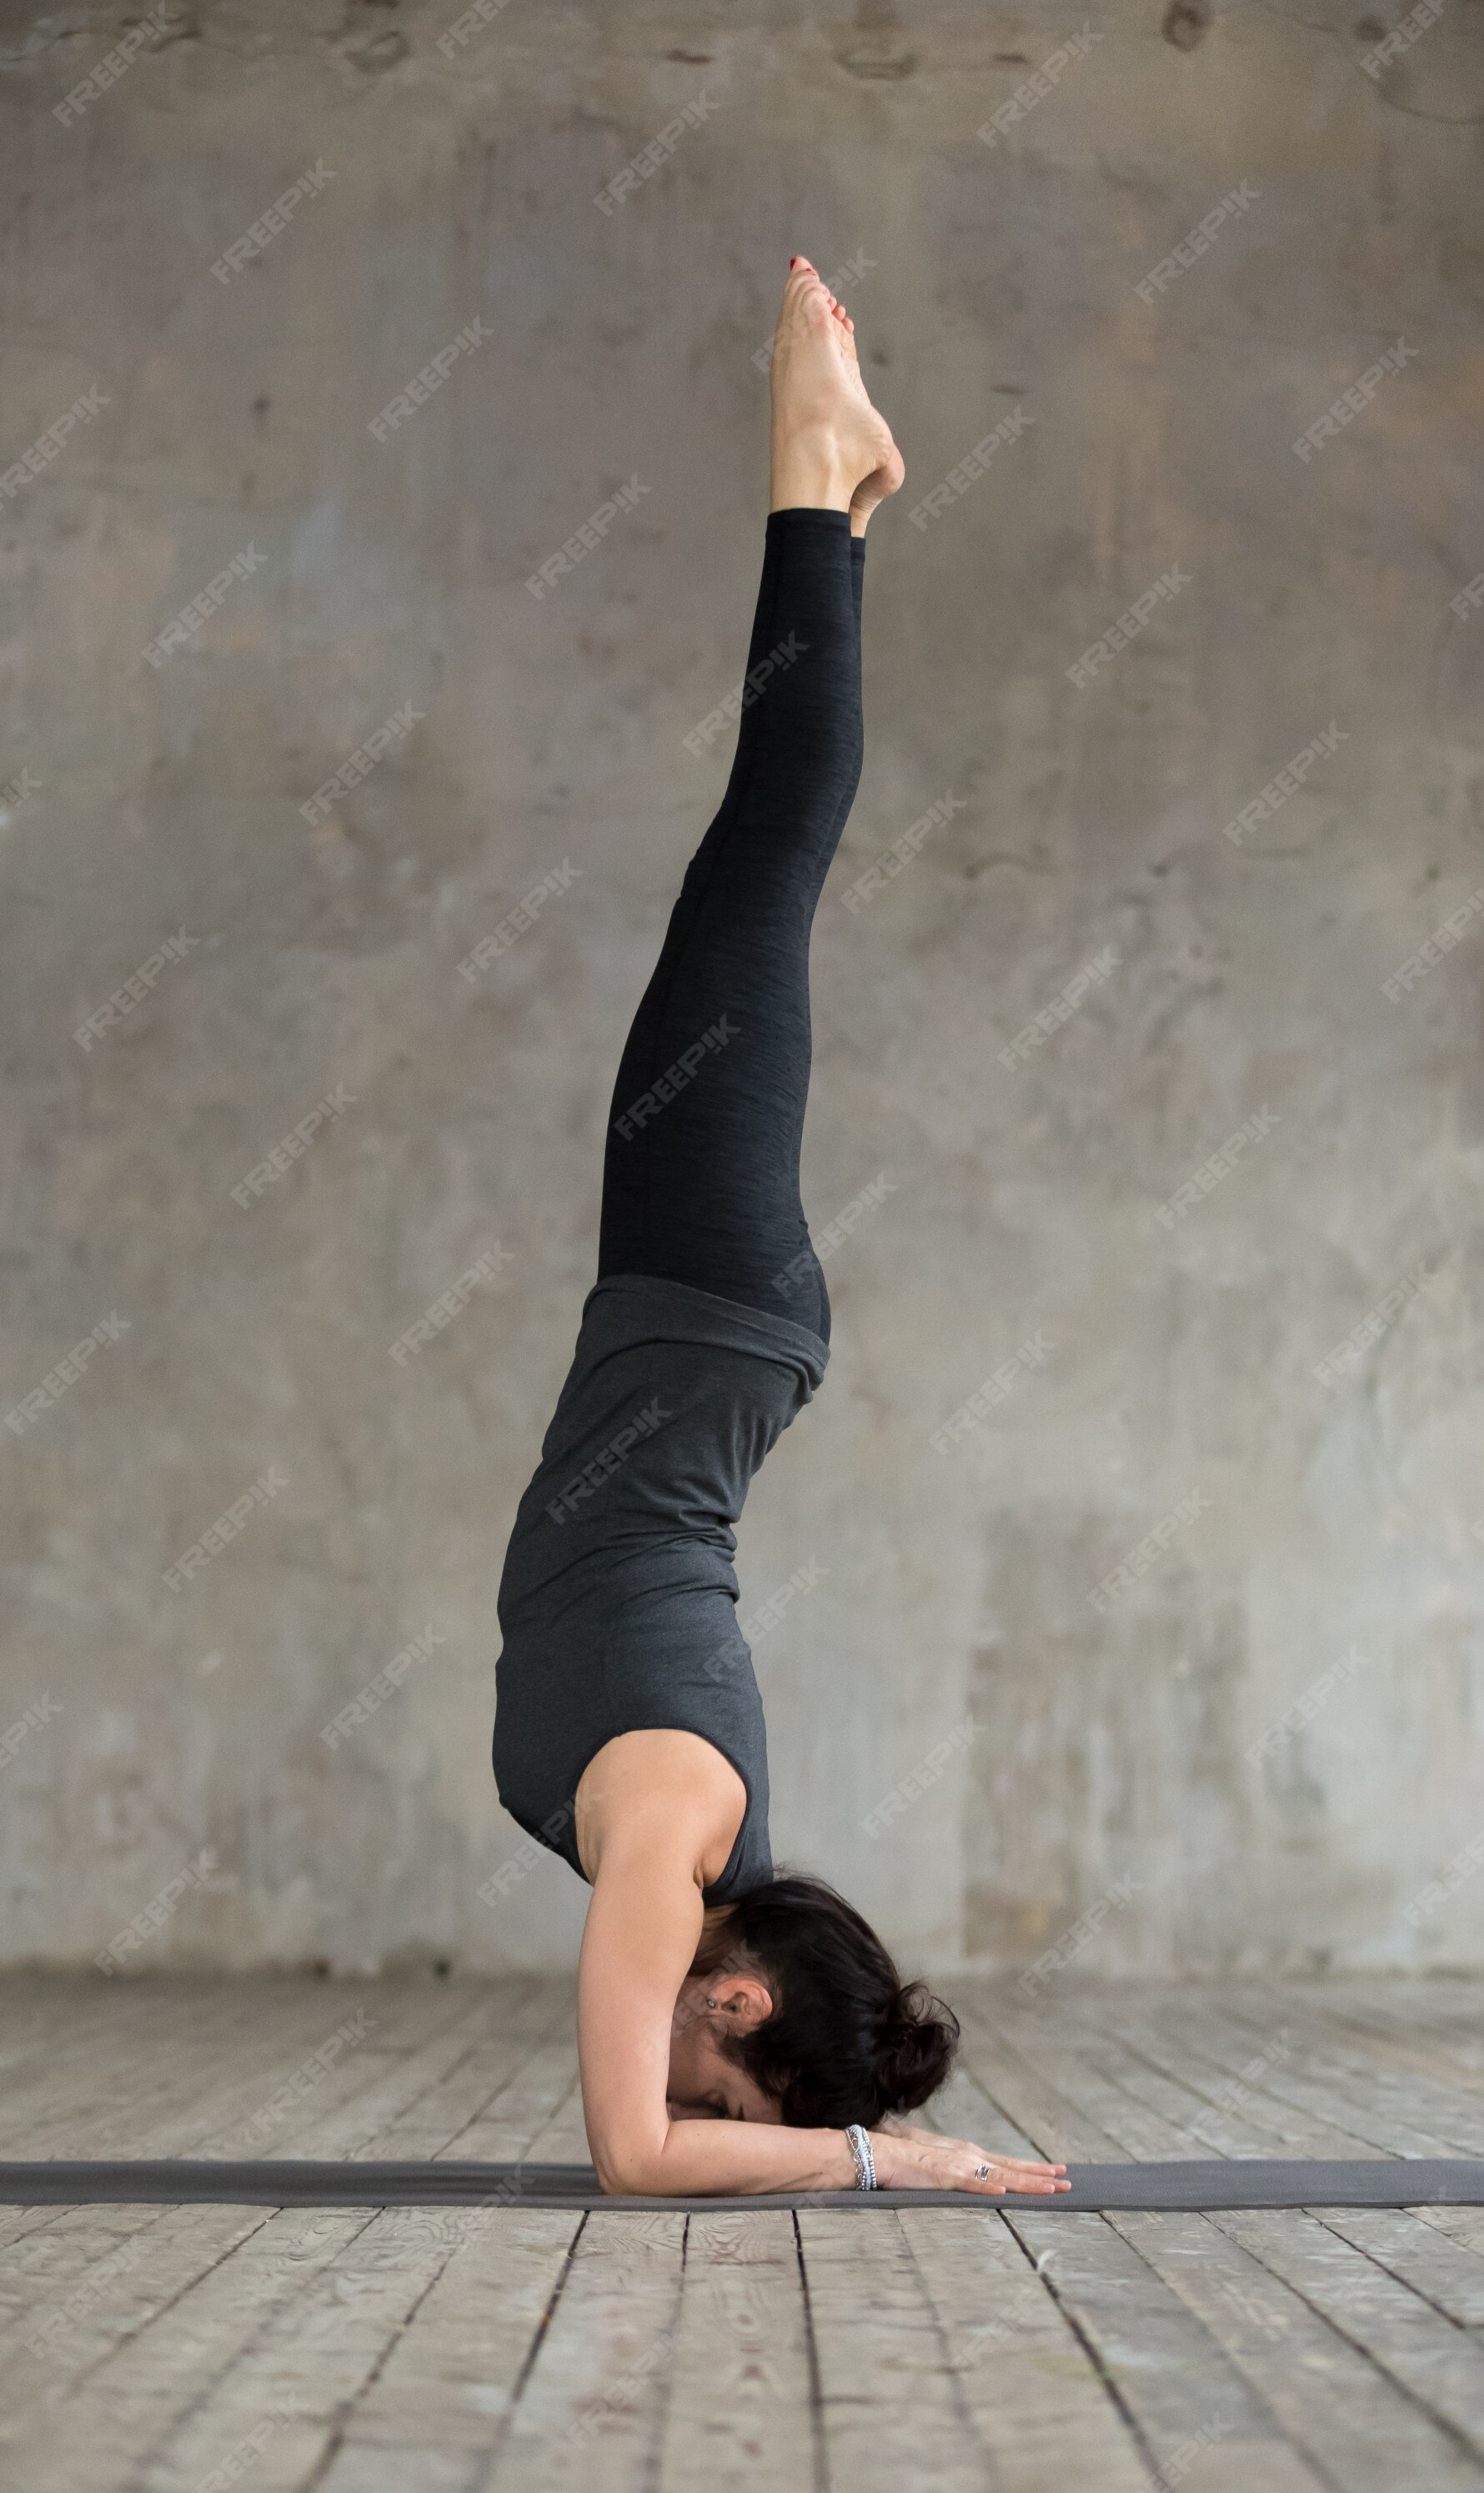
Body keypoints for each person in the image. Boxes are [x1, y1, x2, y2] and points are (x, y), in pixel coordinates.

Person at [492, 260, 1069, 2199]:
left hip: (707, 1316)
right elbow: (631, 2164)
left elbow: (655, 2137)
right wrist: (895, 2172)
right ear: (730, 2008)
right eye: (724, 2081)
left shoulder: (689, 1838)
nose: (681, 2086)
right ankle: (813, 477)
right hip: (702, 1297)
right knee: (766, 849)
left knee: (755, 864)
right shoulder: (667, 1834)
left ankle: (829, 493)